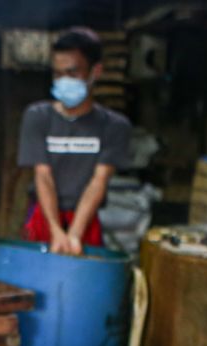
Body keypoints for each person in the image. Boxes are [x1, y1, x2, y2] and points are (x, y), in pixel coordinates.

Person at [17, 28, 131, 254]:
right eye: (58, 74)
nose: (64, 80)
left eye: (72, 73)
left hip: (85, 219)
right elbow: (43, 175)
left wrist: (75, 234)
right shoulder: (37, 116)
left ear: (95, 71)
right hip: (44, 215)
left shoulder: (114, 126)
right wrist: (56, 231)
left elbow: (99, 182)